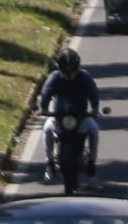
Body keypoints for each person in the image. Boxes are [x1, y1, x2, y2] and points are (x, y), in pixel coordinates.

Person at [35, 48, 104, 178]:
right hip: (59, 116)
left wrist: (95, 108)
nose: (69, 69)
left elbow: (92, 91)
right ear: (60, 66)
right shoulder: (55, 77)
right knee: (47, 130)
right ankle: (49, 161)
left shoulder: (84, 76)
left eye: (71, 66)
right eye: (66, 66)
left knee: (94, 130)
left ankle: (92, 161)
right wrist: (43, 108)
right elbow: (47, 91)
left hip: (81, 116)